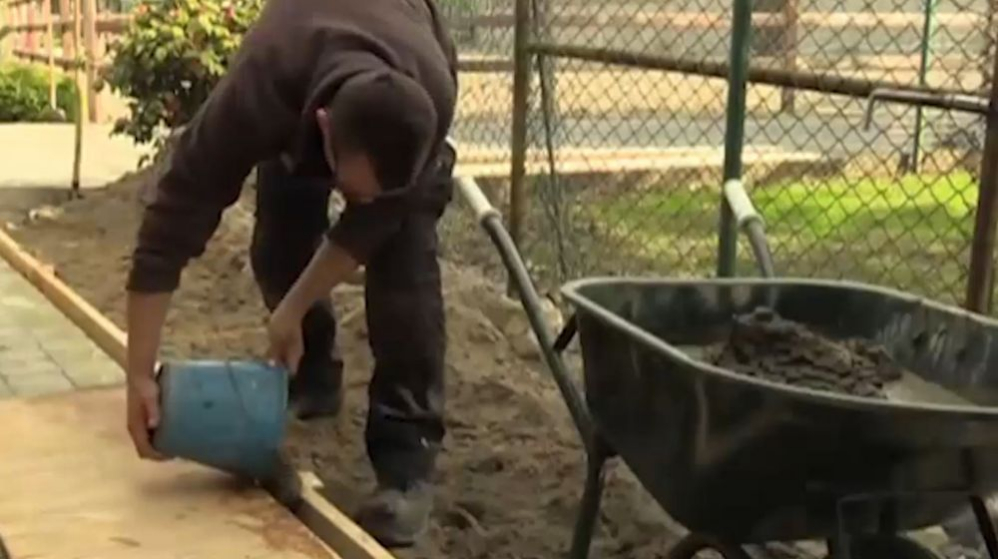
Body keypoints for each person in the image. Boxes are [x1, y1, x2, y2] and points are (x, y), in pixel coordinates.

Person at [123, 0, 458, 547]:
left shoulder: (429, 99)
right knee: (279, 243)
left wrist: (293, 309)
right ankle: (314, 376)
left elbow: (370, 226)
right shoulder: (261, 89)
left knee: (405, 274)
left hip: (409, 40)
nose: (360, 205)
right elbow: (171, 224)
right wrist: (138, 374)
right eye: (353, 191)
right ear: (323, 127)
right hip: (302, 67)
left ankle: (406, 461)